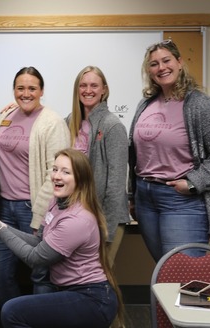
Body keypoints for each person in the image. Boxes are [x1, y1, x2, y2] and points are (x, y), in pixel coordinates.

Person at [0, 148, 124, 328]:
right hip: (71, 292)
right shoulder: (57, 203)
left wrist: (1, 228)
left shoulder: (77, 220)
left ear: (81, 179)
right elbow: (39, 243)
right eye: (55, 169)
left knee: (12, 311)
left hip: (91, 299)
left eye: (66, 172)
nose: (57, 176)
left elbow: (36, 258)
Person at [129, 40, 210, 262]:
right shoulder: (145, 104)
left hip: (181, 200)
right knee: (163, 271)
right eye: (154, 64)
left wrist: (193, 182)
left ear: (179, 62)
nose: (161, 67)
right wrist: (133, 195)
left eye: (166, 60)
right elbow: (136, 154)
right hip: (146, 198)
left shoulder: (200, 104)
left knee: (182, 274)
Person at [0, 66, 70, 305]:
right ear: (14, 90)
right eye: (20, 88)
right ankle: (18, 319)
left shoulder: (52, 122)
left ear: (41, 91)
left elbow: (55, 175)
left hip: (33, 208)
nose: (26, 93)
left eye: (32, 88)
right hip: (4, 209)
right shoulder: (5, 116)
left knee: (41, 274)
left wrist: (39, 214)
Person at [67, 66, 129, 265]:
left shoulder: (112, 126)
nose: (88, 90)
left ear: (104, 90)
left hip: (103, 218)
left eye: (94, 85)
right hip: (75, 215)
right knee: (78, 279)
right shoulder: (69, 122)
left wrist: (106, 230)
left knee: (100, 280)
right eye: (83, 85)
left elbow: (116, 185)